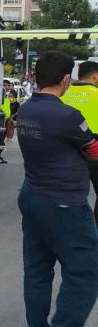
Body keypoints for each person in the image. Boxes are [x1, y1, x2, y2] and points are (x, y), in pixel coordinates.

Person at [17, 51, 98, 327]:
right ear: (66, 80)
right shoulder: (68, 116)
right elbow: (93, 151)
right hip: (64, 204)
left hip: (32, 197)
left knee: (37, 270)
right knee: (87, 270)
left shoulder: (25, 110)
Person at [62, 60, 98, 223]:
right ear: (95, 76)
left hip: (66, 154)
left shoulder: (63, 95)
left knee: (69, 199)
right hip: (94, 153)